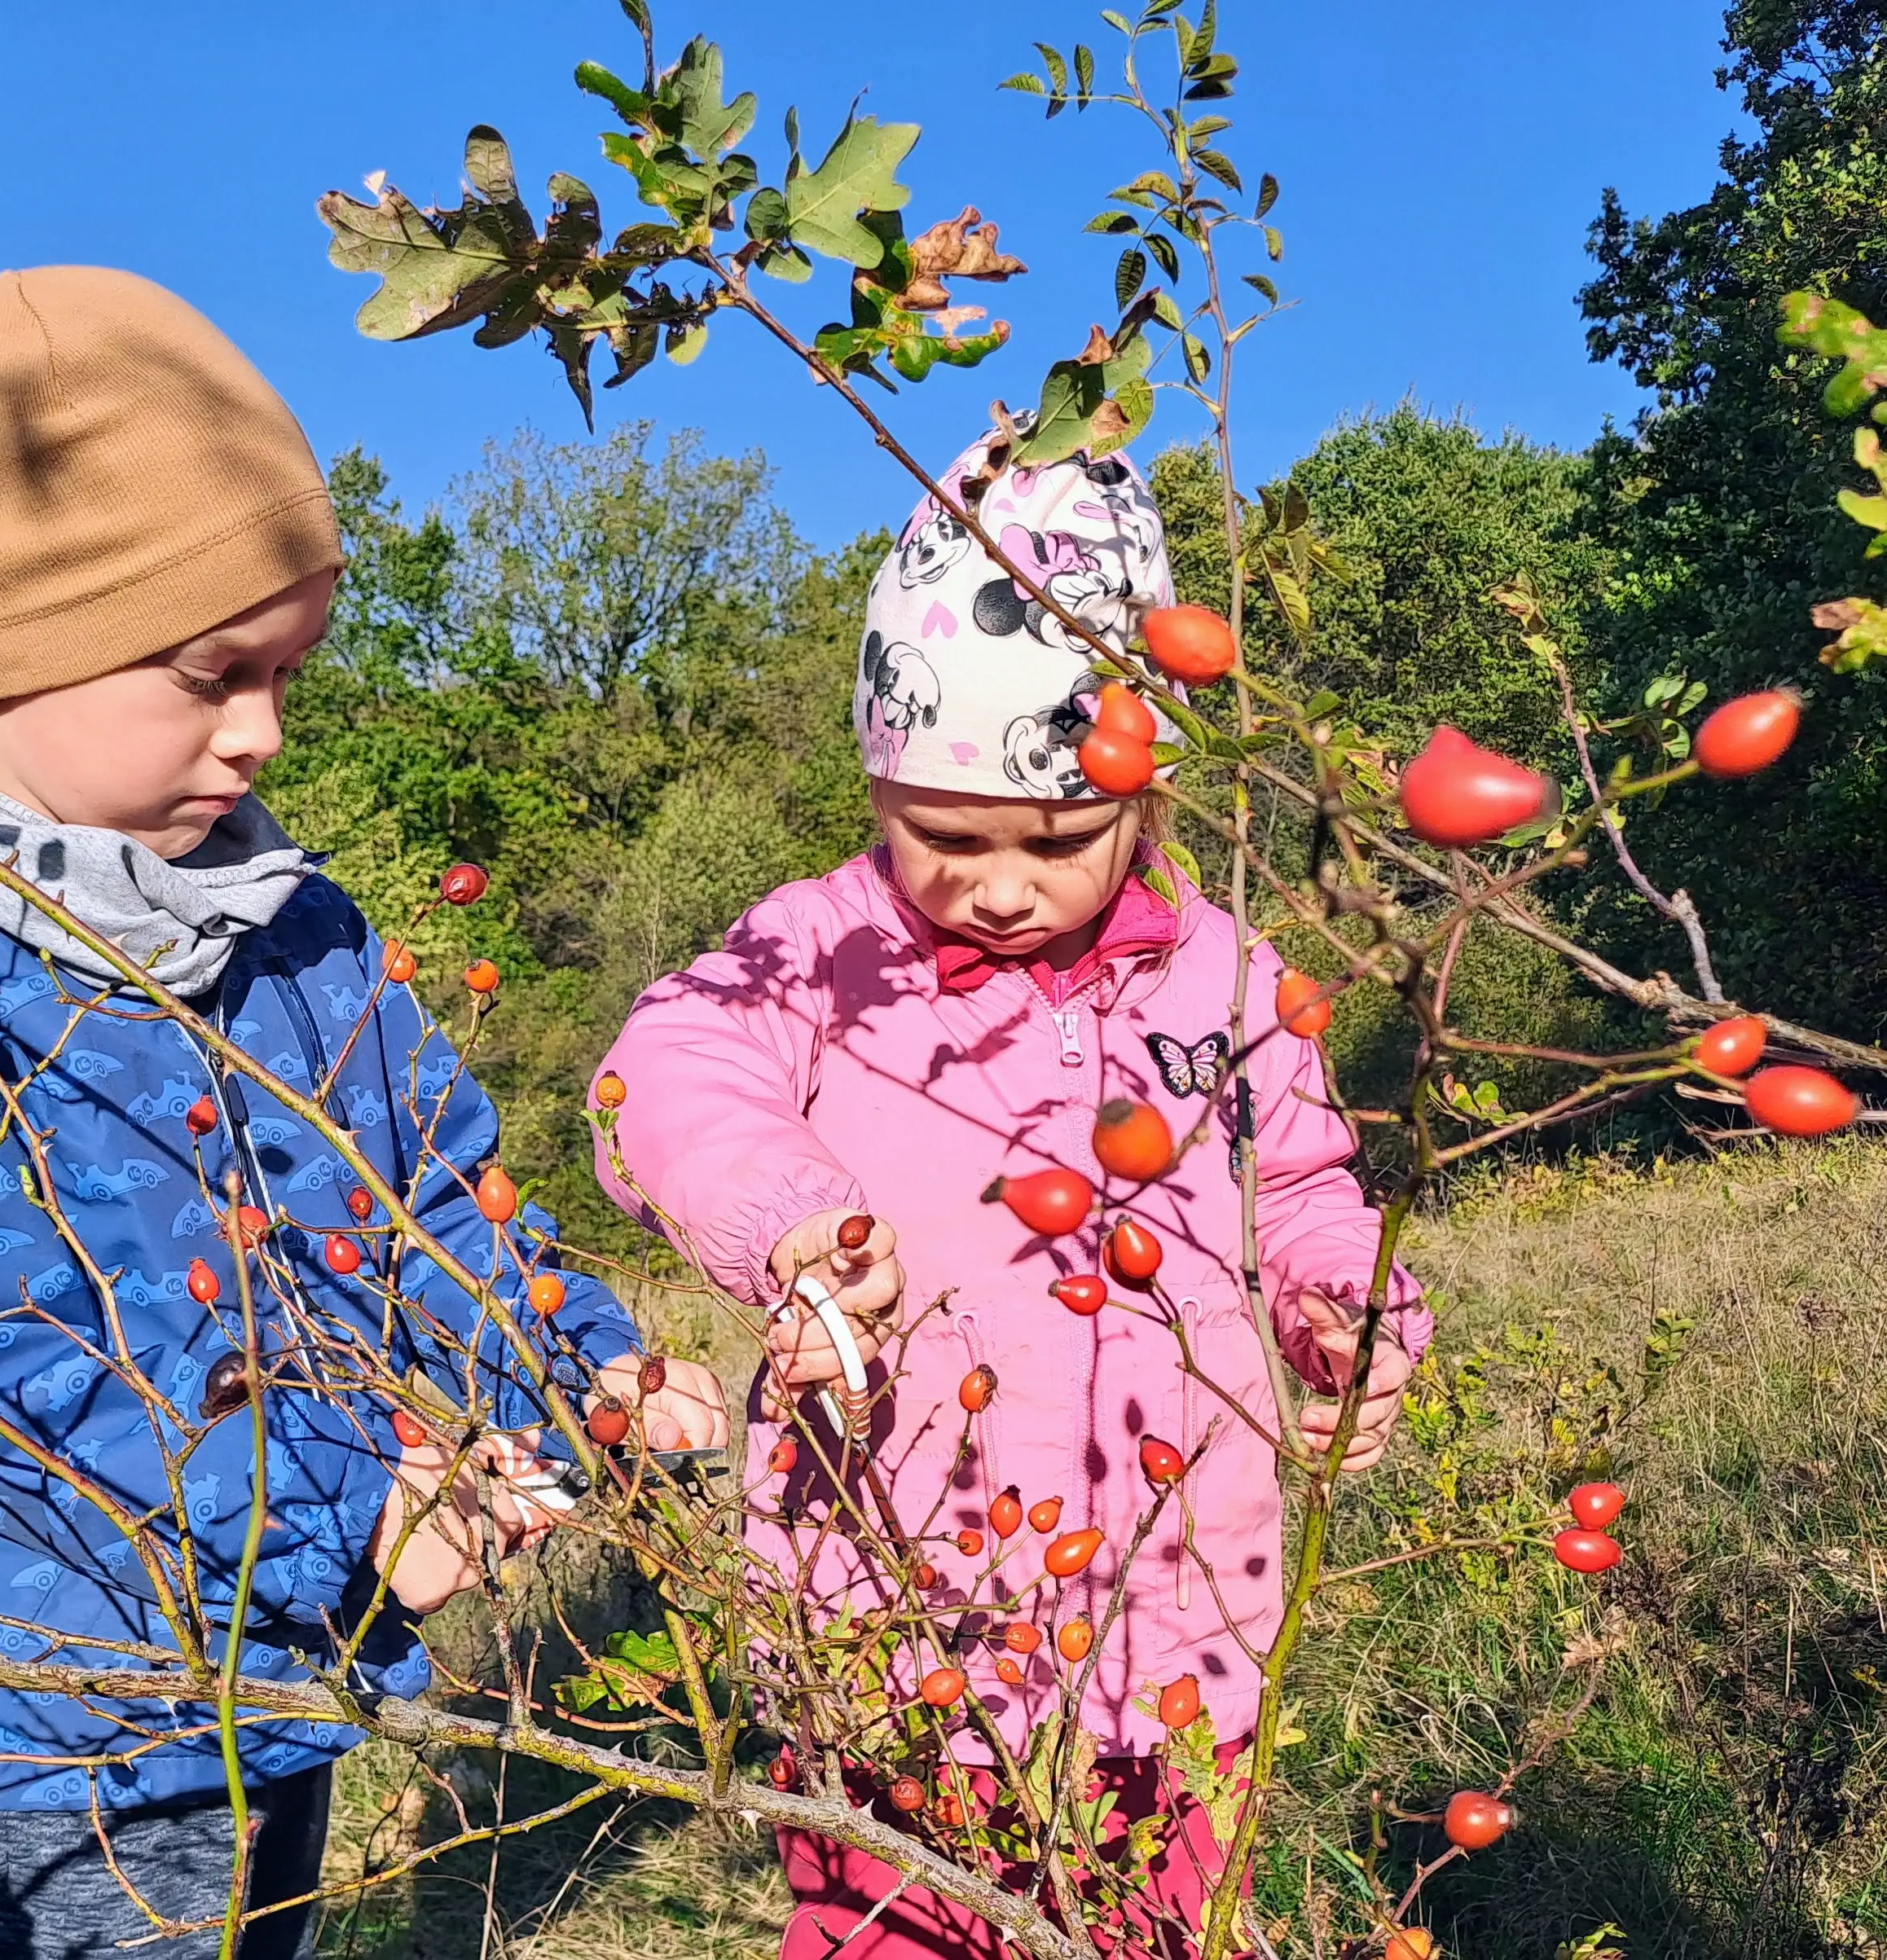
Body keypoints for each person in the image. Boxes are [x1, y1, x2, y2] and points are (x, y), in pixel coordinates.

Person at [0, 266, 726, 1960]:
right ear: (11, 656)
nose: (260, 731)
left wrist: (581, 1372)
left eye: (287, 670)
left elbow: (436, 1207)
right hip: (77, 1743)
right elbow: (4, 1402)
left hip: (289, 1677)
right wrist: (361, 1506)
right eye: (210, 674)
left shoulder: (292, 934)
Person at [591, 428, 1428, 1960]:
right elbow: (661, 1068)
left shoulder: (1229, 977)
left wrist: (1347, 1317)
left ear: (1143, 797)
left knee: (1160, 1934)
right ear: (875, 782)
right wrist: (793, 1221)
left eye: (1050, 841)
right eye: (945, 834)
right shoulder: (813, 950)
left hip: (1184, 1620)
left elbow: (1302, 1180)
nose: (994, 882)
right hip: (892, 1630)